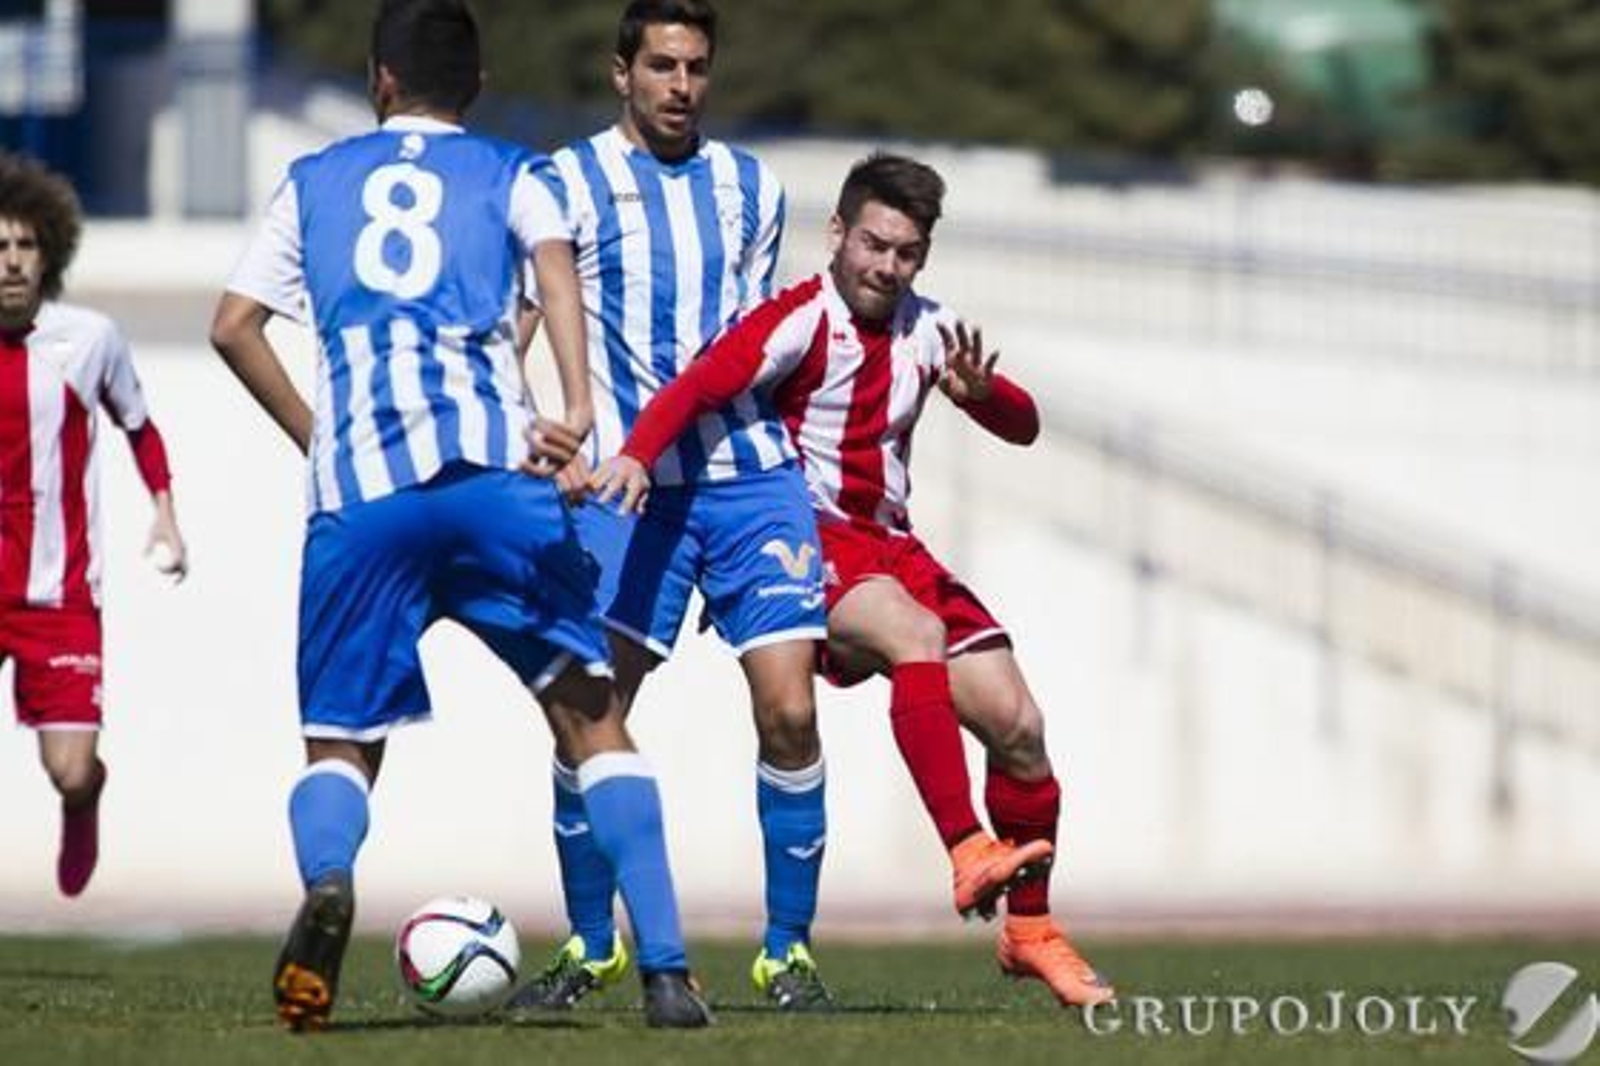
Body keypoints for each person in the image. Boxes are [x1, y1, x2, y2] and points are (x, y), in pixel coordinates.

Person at [209, 0, 708, 1031]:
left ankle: (330, 879)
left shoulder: (314, 179)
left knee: (341, 744)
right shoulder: (514, 172)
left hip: (362, 493)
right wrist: (577, 407)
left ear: (379, 79)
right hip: (498, 479)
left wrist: (316, 436)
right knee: (592, 717)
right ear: (476, 87)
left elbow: (233, 327)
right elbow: (557, 275)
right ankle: (665, 972)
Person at [596, 152, 1117, 1009]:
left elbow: (1024, 426)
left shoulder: (930, 329)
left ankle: (1029, 932)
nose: (887, 266)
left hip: (897, 547)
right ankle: (965, 847)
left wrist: (982, 394)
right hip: (810, 539)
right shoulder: (800, 318)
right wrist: (636, 456)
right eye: (874, 244)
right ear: (838, 233)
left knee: (1019, 724)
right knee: (914, 636)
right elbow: (700, 385)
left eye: (907, 252)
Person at [508, 0, 833, 1013]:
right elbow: (515, 322)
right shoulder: (563, 181)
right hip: (622, 487)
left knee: (790, 710)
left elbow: (759, 339)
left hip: (749, 480)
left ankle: (787, 956)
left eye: (695, 67)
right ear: (622, 73)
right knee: (589, 717)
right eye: (660, 66)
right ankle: (590, 945)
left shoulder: (753, 187)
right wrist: (534, 432)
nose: (680, 86)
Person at [0, 151, 188, 900]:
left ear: (49, 253)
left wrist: (165, 513)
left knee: (69, 769)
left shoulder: (89, 340)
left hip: (61, 594)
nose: (12, 261)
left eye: (25, 245)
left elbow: (139, 426)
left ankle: (86, 800)